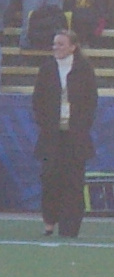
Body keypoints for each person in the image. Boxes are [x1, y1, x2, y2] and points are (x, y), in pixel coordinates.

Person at [31, 27, 98, 238]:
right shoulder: (47, 69)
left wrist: (80, 125)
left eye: (61, 44)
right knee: (50, 179)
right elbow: (38, 100)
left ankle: (70, 228)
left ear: (73, 47)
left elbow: (91, 101)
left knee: (73, 182)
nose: (56, 47)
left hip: (75, 137)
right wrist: (46, 123)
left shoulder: (84, 69)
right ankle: (49, 222)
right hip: (51, 136)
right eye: (55, 44)